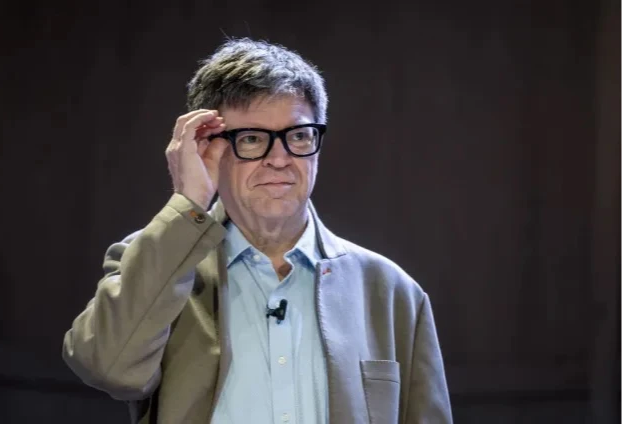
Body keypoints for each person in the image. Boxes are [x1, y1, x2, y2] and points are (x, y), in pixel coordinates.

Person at [62, 38, 453, 424]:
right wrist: (189, 203)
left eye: (298, 136)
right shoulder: (155, 260)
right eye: (251, 139)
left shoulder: (392, 292)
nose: (279, 159)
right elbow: (108, 368)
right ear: (204, 147)